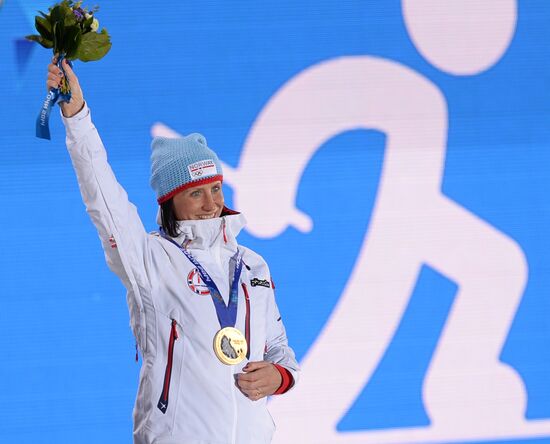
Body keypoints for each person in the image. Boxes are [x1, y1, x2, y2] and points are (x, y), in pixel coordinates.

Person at [46, 57, 299, 444]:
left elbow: (279, 349)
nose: (211, 203)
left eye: (215, 189)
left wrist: (278, 377)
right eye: (195, 193)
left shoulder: (252, 265)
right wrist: (77, 116)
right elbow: (103, 196)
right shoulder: (149, 259)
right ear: (169, 201)